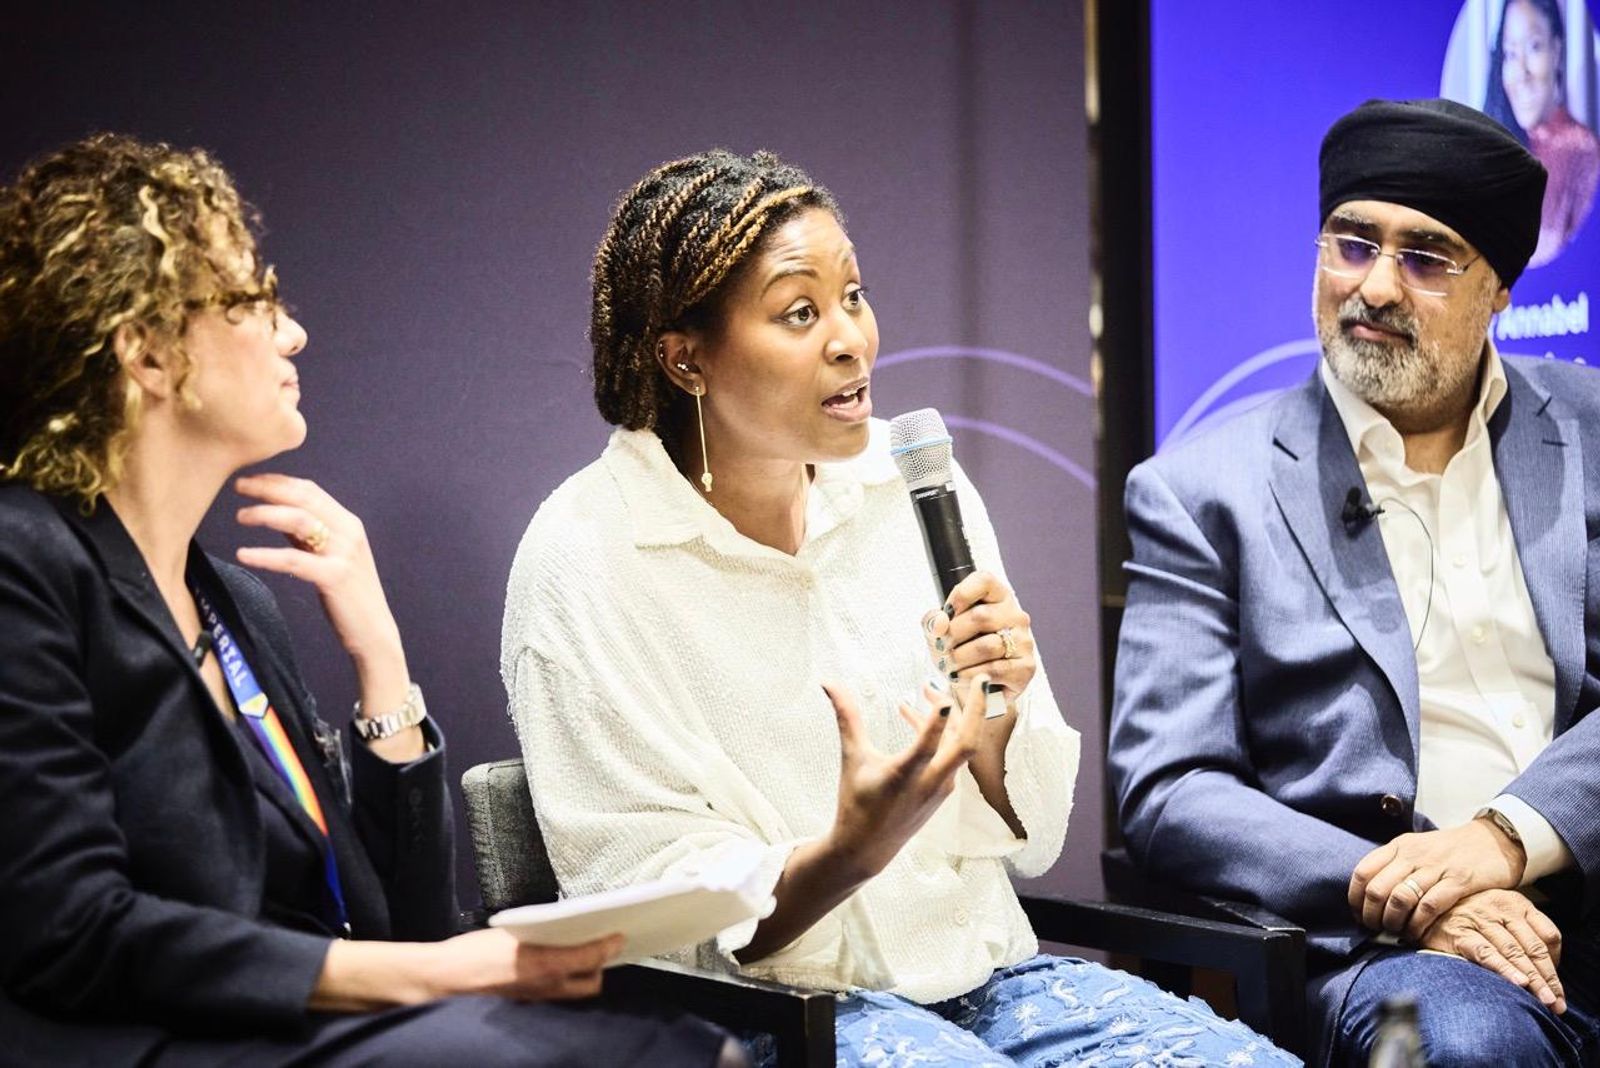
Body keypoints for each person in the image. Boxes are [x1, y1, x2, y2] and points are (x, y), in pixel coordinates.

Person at [501, 148, 1297, 1067]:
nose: (852, 338)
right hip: (762, 1022)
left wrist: (993, 722)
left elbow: (1024, 840)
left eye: (854, 295)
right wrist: (850, 849)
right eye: (801, 312)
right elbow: (654, 909)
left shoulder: (912, 482)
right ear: (686, 361)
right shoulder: (587, 557)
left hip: (989, 981)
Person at [0, 133, 741, 1067]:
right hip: (151, 1045)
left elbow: (403, 926)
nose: (292, 332)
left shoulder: (231, 603)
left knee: (685, 1048)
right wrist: (446, 977)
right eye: (252, 300)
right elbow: (72, 932)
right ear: (147, 354)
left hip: (302, 1033)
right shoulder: (23, 563)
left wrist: (380, 657)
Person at [1110, 97, 1600, 1066]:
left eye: (1424, 257)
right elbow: (1169, 785)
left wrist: (1507, 837)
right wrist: (1411, 889)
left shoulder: (1590, 429)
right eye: (1350, 244)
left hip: (1582, 880)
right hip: (1396, 952)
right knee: (1455, 1052)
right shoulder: (1202, 490)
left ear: (1498, 286)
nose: (1374, 285)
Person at [1483, 0, 1600, 265]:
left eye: (1534, 47)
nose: (1521, 73)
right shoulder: (1492, 150)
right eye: (1511, 54)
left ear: (1556, 51)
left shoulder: (1582, 149)